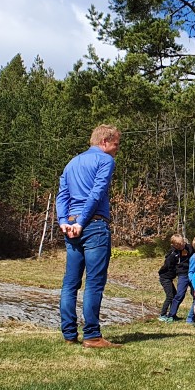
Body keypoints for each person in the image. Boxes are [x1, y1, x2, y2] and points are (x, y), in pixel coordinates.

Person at [56, 124, 120, 348]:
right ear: (104, 142)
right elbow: (97, 192)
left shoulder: (72, 163)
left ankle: (69, 335)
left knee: (70, 283)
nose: (117, 149)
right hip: (93, 225)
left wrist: (64, 221)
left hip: (71, 226)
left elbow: (62, 195)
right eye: (116, 144)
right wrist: (82, 222)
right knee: (94, 282)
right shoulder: (105, 160)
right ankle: (92, 336)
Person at [157, 234, 189, 323]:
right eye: (179, 245)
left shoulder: (181, 250)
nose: (182, 246)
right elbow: (168, 265)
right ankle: (162, 315)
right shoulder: (172, 254)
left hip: (170, 278)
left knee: (174, 295)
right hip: (165, 278)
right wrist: (176, 269)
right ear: (174, 245)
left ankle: (173, 314)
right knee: (170, 296)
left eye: (182, 243)